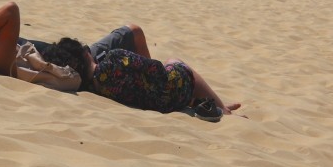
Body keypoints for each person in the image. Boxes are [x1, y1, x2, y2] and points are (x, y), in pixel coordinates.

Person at [42, 38, 241, 119]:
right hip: (170, 96)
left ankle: (205, 102)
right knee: (176, 63)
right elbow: (155, 68)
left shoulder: (92, 88)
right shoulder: (114, 57)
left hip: (154, 102)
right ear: (84, 55)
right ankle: (224, 110)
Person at [0, 0, 152, 74]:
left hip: (75, 55)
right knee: (134, 32)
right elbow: (11, 9)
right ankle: (158, 80)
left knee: (131, 37)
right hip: (81, 63)